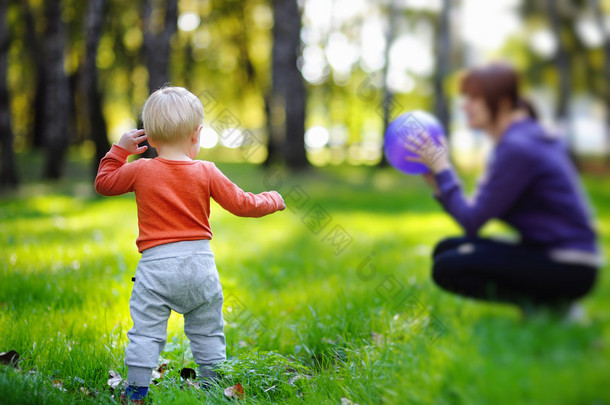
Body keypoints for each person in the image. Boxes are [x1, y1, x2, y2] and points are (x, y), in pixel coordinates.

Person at [95, 86, 285, 403]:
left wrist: (120, 149)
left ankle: (136, 392)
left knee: (146, 333)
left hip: (157, 269)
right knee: (208, 331)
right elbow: (243, 204)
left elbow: (103, 183)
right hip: (200, 268)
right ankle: (214, 389)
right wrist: (273, 199)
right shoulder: (206, 170)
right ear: (197, 134)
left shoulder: (140, 170)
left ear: (150, 139)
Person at [405, 62, 601, 315]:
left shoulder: (518, 147)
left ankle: (548, 306)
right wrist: (438, 182)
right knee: (447, 249)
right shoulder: (521, 138)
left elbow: (472, 221)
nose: (465, 105)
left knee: (448, 267)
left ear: (504, 102)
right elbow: (473, 215)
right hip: (555, 256)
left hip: (569, 264)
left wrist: (443, 168)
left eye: (474, 98)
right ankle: (548, 303)